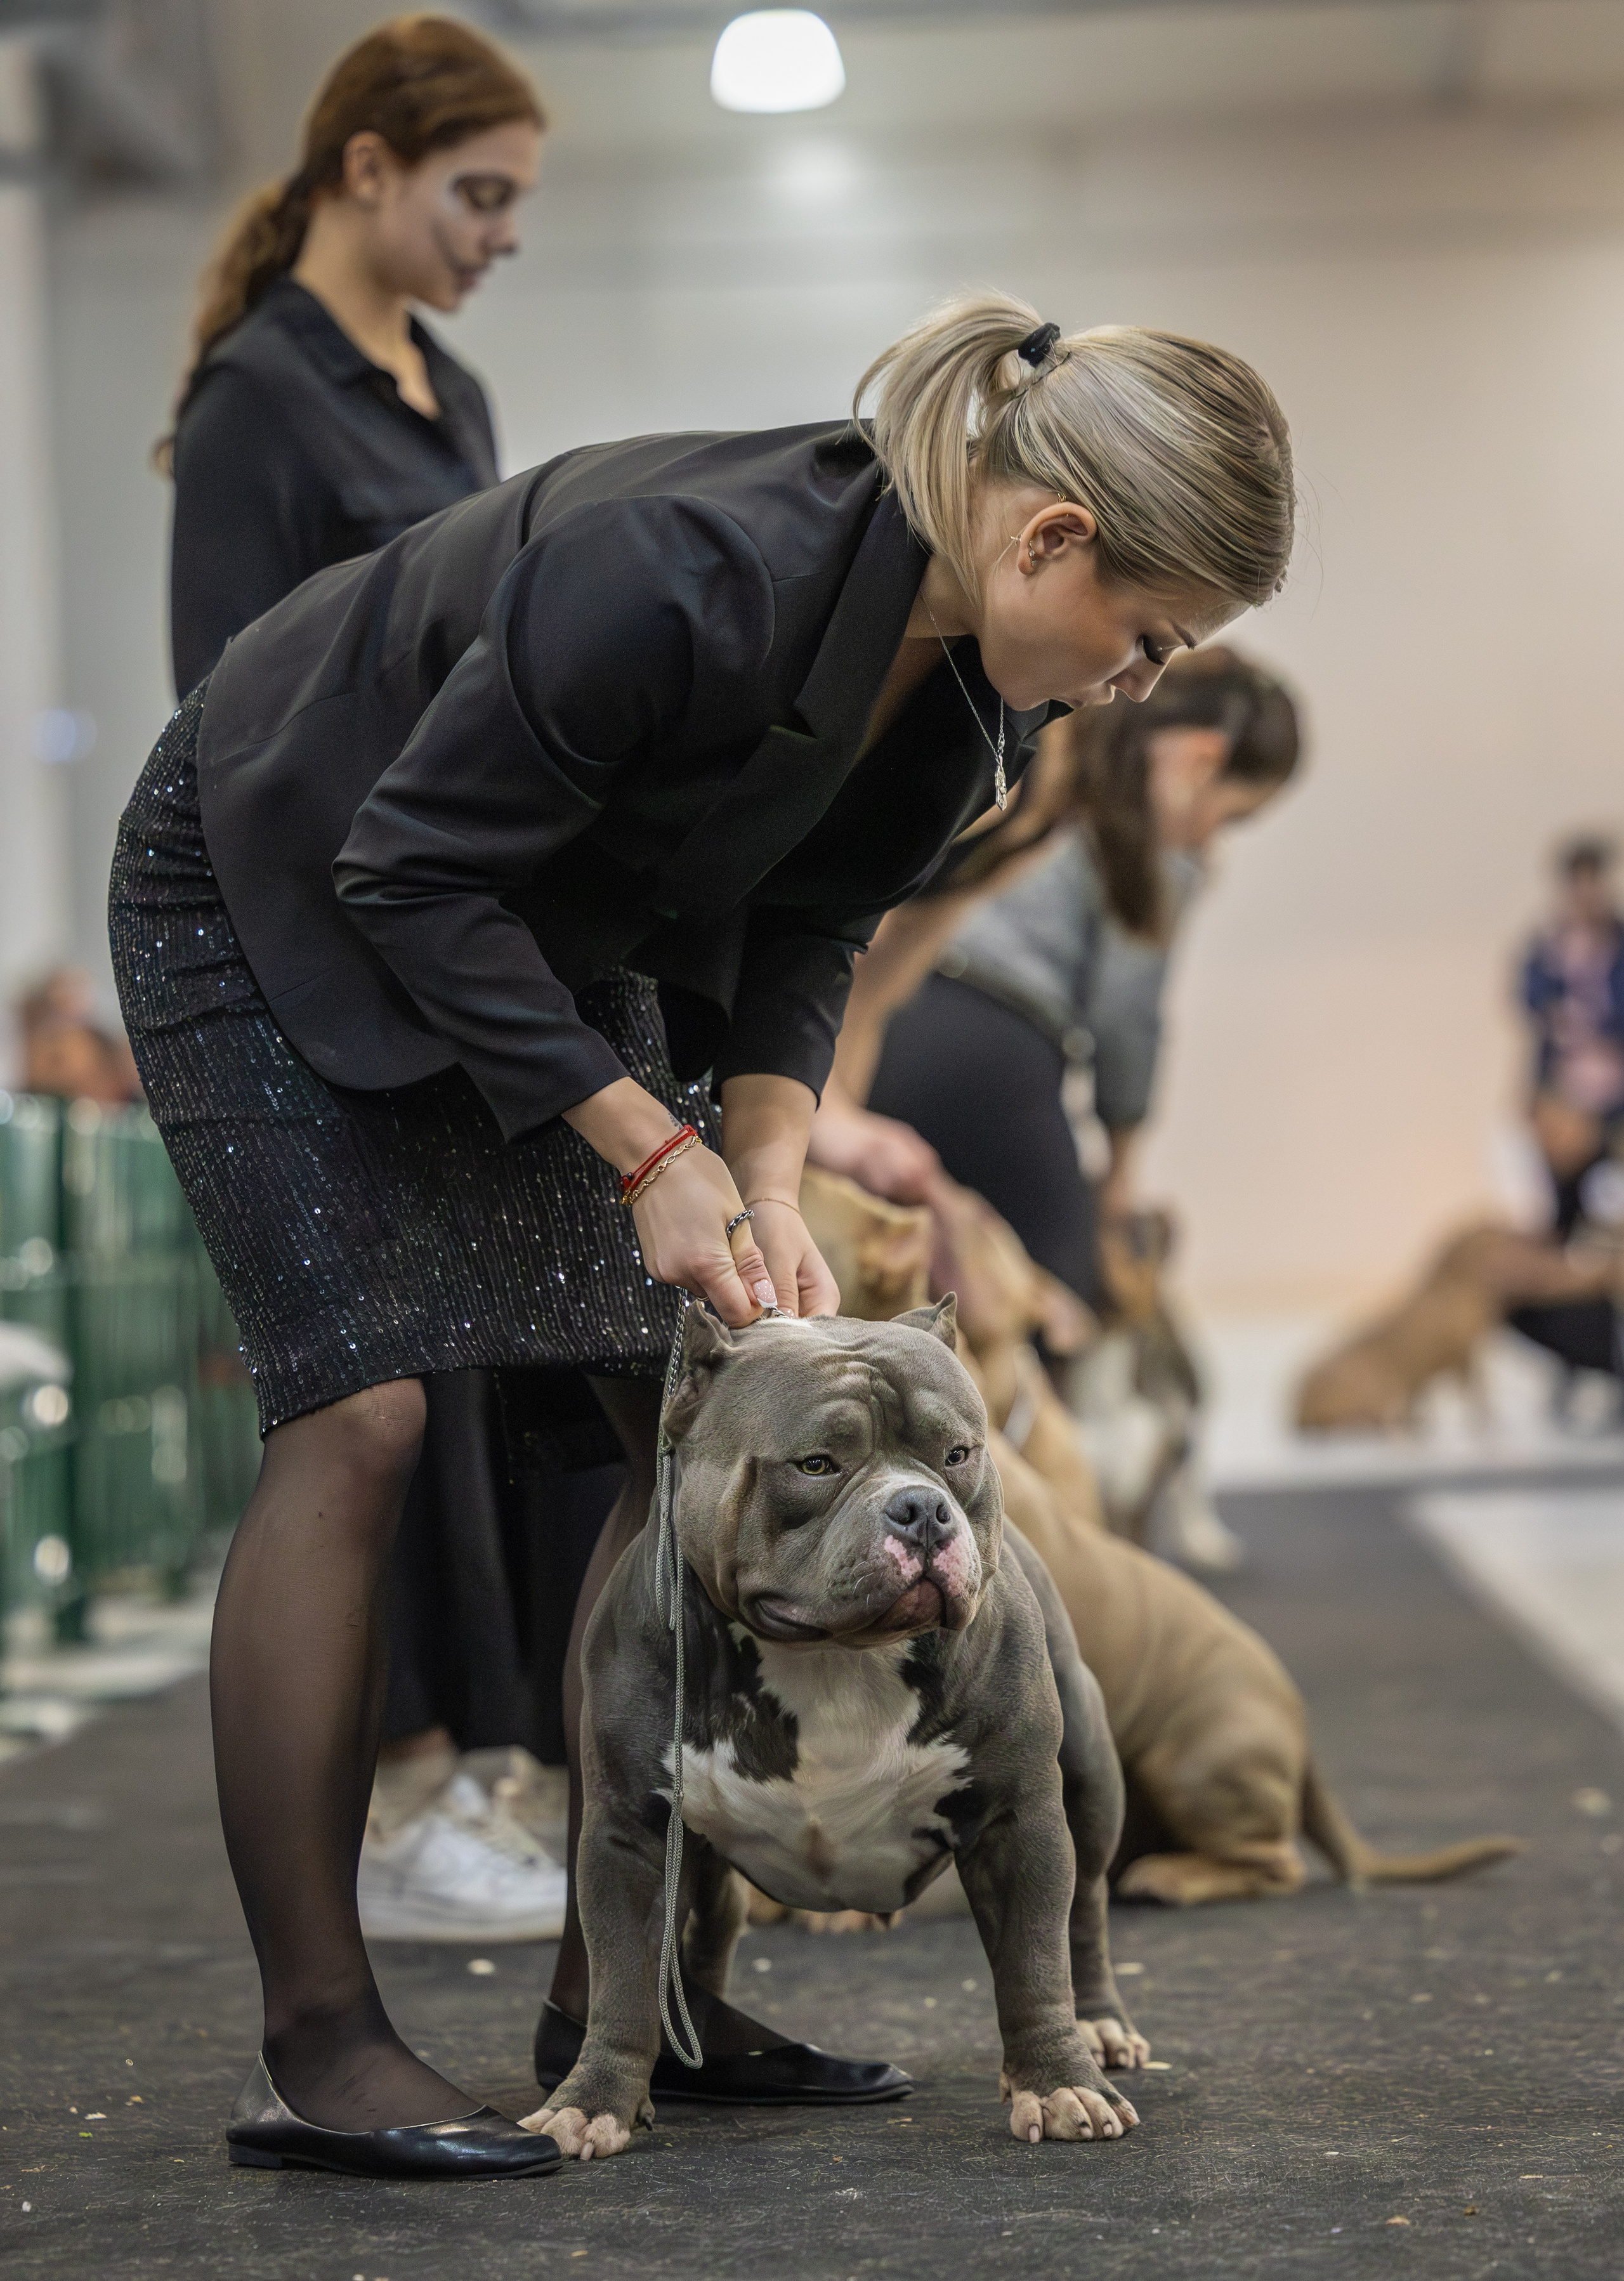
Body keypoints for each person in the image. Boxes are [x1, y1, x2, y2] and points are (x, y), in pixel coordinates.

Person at [109, 289, 1295, 2178]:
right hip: (270, 876)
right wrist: (643, 1141)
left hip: (528, 923)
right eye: (1150, 637)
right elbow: (402, 866)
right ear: (1050, 539)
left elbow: (803, 933)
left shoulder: (970, 697)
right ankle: (320, 2039)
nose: (1143, 682)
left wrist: (760, 1178)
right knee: (363, 1415)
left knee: (658, 1403)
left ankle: (625, 2007)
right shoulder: (683, 570)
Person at [164, 16, 571, 1944]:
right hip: (304, 952)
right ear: (366, 169)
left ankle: (477, 1774)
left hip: (442, 939)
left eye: (516, 201)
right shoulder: (257, 399)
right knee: (370, 1398)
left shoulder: (451, 390)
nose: (501, 234)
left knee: (477, 1374)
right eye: (476, 194)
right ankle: (394, 1793)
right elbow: (225, 720)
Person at [813, 649, 1302, 1316]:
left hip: (899, 1022)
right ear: (1200, 760)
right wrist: (1121, 1176)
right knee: (1064, 1293)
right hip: (989, 1039)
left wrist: (837, 1107)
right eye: (1234, 815)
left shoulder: (1044, 805)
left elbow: (888, 964)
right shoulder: (1041, 785)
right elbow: (1127, 1016)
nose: (1215, 839)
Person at [1507, 836, 1624, 1390]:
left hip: (1614, 1104)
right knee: (1562, 1230)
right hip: (1564, 1106)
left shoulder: (1616, 943)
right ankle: (1577, 1357)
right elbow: (1530, 1003)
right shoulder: (1547, 946)